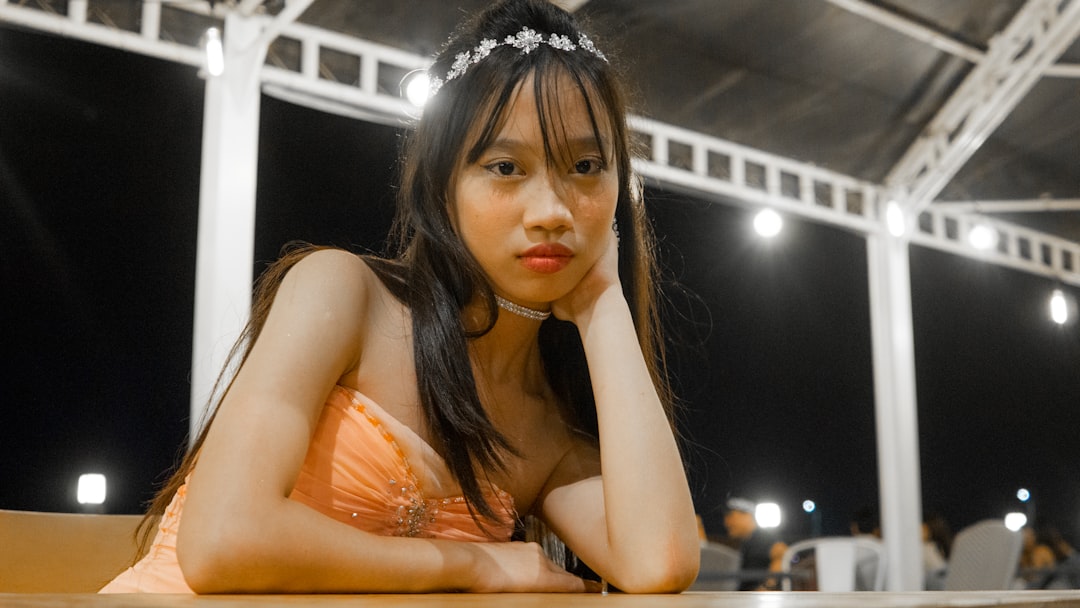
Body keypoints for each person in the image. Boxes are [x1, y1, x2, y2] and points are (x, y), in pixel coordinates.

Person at [101, 0, 699, 594]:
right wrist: (475, 564)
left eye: (587, 164)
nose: (551, 212)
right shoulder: (343, 294)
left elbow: (661, 561)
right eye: (505, 168)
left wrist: (604, 308)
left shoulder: (549, 433)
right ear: (442, 187)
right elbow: (221, 542)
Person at [721, 497, 787, 590]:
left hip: (757, 601)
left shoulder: (765, 538)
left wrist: (766, 588)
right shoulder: (746, 542)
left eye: (730, 516)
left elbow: (781, 557)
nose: (726, 522)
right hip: (747, 599)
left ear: (747, 515)